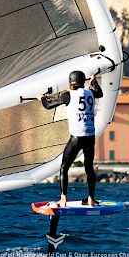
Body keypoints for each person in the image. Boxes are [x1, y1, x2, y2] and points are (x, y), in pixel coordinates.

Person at [40, 70, 103, 207]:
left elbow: (48, 105)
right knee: (89, 168)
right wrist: (93, 81)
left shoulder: (68, 95)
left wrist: (42, 98)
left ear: (71, 82)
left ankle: (63, 199)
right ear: (82, 81)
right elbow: (100, 93)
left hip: (76, 137)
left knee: (64, 166)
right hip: (90, 136)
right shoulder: (90, 93)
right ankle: (91, 198)